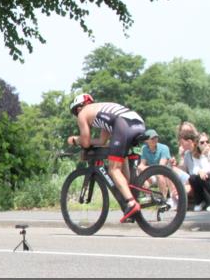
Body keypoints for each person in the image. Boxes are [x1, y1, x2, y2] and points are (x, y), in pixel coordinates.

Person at [66, 93, 147, 223]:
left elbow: (85, 142)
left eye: (76, 113)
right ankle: (130, 199)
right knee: (121, 167)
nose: (77, 116)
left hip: (123, 124)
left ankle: (132, 203)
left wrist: (75, 140)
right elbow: (101, 141)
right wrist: (87, 141)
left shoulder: (83, 113)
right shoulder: (101, 111)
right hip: (137, 122)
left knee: (113, 170)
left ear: (79, 108)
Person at [138, 129, 175, 207]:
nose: (155, 139)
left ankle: (164, 199)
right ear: (146, 140)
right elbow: (141, 166)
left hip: (166, 174)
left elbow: (160, 167)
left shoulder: (164, 148)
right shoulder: (144, 149)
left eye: (156, 137)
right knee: (141, 174)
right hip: (154, 172)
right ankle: (148, 197)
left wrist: (146, 168)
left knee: (159, 175)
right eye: (152, 138)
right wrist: (143, 168)